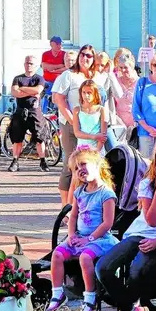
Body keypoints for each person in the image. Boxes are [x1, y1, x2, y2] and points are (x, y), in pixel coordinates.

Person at [99, 139, 156, 311]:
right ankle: (130, 308)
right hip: (140, 233)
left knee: (138, 270)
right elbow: (151, 220)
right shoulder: (147, 183)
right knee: (103, 267)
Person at [44, 146, 118, 311]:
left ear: (97, 164)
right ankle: (58, 293)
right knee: (57, 254)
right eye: (76, 168)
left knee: (85, 258)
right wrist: (71, 236)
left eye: (83, 164)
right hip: (80, 236)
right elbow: (74, 216)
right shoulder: (79, 192)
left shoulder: (106, 194)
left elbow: (107, 223)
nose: (80, 170)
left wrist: (89, 239)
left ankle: (90, 296)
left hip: (99, 239)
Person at [52, 45, 113, 202]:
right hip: (71, 123)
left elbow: (103, 98)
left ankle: (87, 200)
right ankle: (66, 205)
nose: (85, 58)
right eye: (82, 55)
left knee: (91, 163)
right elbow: (58, 99)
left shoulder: (97, 76)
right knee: (70, 164)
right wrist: (73, 120)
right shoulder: (69, 75)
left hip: (92, 125)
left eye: (89, 56)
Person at [6, 55, 46, 172]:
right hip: (20, 111)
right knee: (17, 138)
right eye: (27, 63)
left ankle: (43, 161)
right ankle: (15, 161)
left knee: (40, 137)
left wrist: (22, 89)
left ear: (36, 66)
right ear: (24, 64)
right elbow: (15, 92)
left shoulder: (39, 78)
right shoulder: (17, 78)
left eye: (31, 63)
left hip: (35, 111)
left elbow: (38, 90)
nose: (29, 65)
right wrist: (30, 92)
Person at [73, 78, 112, 155]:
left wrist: (96, 151)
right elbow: (77, 133)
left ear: (95, 94)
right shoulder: (77, 110)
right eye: (83, 92)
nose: (86, 95)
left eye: (89, 93)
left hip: (96, 150)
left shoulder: (101, 110)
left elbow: (103, 135)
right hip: (81, 149)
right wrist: (94, 136)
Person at [112, 48, 139, 137]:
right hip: (119, 125)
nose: (123, 70)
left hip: (136, 125)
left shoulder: (139, 82)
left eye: (126, 67)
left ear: (132, 67)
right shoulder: (116, 81)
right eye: (121, 67)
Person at [39, 36, 66, 100]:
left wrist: (54, 70)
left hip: (60, 82)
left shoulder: (64, 54)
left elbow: (67, 68)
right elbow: (44, 67)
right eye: (57, 44)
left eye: (60, 44)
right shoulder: (45, 54)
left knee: (58, 101)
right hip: (47, 82)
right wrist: (60, 66)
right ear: (51, 44)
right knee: (45, 100)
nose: (59, 46)